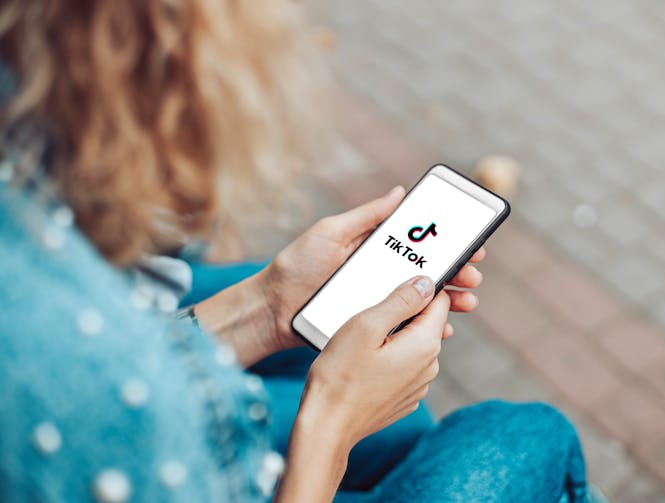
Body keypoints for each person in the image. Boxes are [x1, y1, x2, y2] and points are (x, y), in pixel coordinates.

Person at [0, 1, 590, 501]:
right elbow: (117, 394)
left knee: (398, 423)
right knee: (523, 434)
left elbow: (125, 366)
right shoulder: (85, 388)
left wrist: (266, 308)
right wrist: (331, 424)